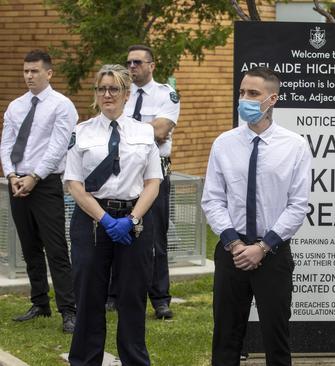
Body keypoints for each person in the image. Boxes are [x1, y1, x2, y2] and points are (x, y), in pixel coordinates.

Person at [202, 66, 311, 366]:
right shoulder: (223, 144)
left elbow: (297, 206)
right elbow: (212, 199)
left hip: (272, 255)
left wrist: (262, 247)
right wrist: (235, 245)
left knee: (277, 339)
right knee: (226, 337)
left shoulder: (295, 146)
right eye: (241, 93)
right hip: (231, 253)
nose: (245, 99)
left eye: (253, 94)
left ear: (272, 99)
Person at [65, 64, 162, 366]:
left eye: (114, 89)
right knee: (89, 295)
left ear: (126, 93)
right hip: (92, 220)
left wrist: (131, 219)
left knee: (133, 297)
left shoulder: (144, 132)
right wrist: (105, 220)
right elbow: (74, 185)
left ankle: (134, 359)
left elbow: (153, 183)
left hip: (133, 219)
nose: (107, 94)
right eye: (101, 89)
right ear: (96, 93)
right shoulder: (80, 132)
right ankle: (84, 360)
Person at [1, 49, 77, 333]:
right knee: (30, 247)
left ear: (49, 73)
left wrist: (34, 176)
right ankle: (39, 303)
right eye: (25, 71)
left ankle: (69, 310)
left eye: (34, 71)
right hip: (17, 183)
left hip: (45, 184)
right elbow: (6, 143)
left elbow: (58, 146)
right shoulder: (16, 106)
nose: (29, 76)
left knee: (56, 249)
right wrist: (11, 174)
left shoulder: (62, 106)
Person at [105, 44, 180, 319]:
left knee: (155, 239)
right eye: (128, 62)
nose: (132, 67)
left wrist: (126, 130)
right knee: (114, 230)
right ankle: (113, 294)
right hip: (121, 171)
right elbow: (107, 124)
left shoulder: (165, 94)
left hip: (154, 173)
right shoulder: (118, 93)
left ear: (152, 65)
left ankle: (160, 299)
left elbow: (160, 131)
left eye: (137, 62)